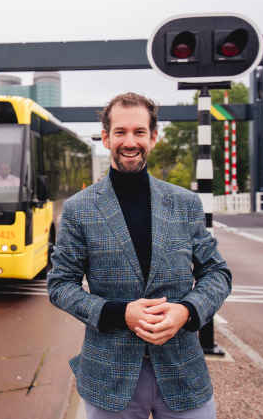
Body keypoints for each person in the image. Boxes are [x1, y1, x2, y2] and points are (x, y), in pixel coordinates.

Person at [47, 92, 232, 419]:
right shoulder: (79, 209)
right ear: (106, 137)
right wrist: (119, 314)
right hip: (109, 376)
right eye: (120, 132)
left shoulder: (185, 203)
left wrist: (187, 312)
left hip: (183, 372)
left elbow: (217, 273)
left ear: (153, 137)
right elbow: (60, 285)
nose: (129, 141)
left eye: (139, 132)